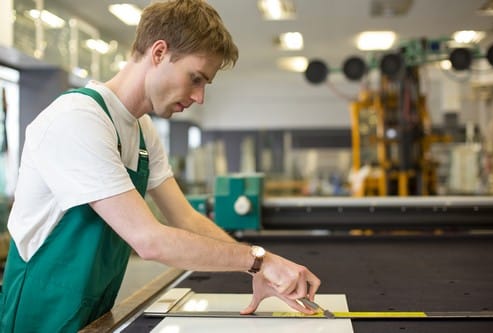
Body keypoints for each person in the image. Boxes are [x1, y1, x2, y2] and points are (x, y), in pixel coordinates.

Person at [0, 0, 321, 331]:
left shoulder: (142, 131)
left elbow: (185, 218)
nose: (200, 97)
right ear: (158, 53)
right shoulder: (77, 119)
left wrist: (257, 267)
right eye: (195, 78)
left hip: (93, 315)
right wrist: (258, 261)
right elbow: (148, 239)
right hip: (39, 319)